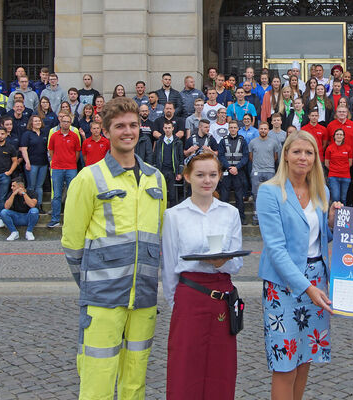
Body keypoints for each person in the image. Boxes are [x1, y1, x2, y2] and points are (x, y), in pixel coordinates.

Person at [62, 97, 166, 400]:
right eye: (119, 126)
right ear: (105, 131)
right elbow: (71, 243)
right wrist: (92, 283)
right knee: (98, 382)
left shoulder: (155, 178)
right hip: (103, 297)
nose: (128, 131)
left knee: (135, 381)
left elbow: (157, 237)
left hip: (144, 297)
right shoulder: (89, 178)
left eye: (133, 125)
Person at [256, 131, 338, 400]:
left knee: (305, 357)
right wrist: (307, 288)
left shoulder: (322, 190)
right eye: (297, 152)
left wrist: (334, 222)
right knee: (284, 361)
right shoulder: (269, 192)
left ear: (315, 158)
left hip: (318, 278)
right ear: (285, 156)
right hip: (283, 285)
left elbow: (324, 237)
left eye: (309, 153)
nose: (303, 157)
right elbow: (276, 250)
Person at [160, 150, 243, 399]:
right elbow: (169, 265)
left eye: (212, 174)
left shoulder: (230, 213)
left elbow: (237, 262)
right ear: (187, 177)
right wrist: (177, 302)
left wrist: (221, 264)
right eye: (200, 175)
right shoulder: (173, 216)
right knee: (185, 365)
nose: (207, 180)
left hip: (223, 294)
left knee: (221, 368)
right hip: (190, 294)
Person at [46, 113, 81, 228]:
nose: (65, 123)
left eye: (68, 121)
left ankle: (71, 219)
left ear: (70, 123)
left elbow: (77, 152)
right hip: (57, 168)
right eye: (64, 121)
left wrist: (70, 162)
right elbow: (51, 151)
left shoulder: (75, 136)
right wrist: (57, 160)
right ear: (60, 122)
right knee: (56, 194)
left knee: (72, 194)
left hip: (71, 168)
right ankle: (55, 219)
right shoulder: (54, 135)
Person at [248, 122, 281, 224]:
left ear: (268, 130)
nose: (263, 131)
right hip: (256, 172)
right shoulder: (253, 142)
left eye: (265, 129)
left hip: (270, 172)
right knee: (256, 195)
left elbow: (275, 157)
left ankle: (269, 218)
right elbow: (251, 157)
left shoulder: (274, 142)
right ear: (258, 130)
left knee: (270, 196)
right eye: (261, 129)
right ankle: (256, 217)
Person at [218, 120, 249, 225]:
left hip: (238, 172)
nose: (233, 129)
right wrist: (229, 167)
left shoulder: (243, 141)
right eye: (231, 127)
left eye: (235, 127)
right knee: (224, 197)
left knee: (239, 196)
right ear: (228, 128)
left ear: (238, 129)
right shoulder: (223, 141)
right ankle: (223, 219)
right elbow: (221, 156)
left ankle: (241, 218)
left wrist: (237, 167)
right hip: (226, 172)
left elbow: (245, 157)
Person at [19, 115, 49, 214]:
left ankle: (39, 205)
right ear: (31, 123)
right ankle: (30, 205)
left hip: (43, 164)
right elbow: (24, 149)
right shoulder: (27, 134)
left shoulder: (44, 133)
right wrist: (27, 162)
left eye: (39, 121)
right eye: (35, 121)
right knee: (31, 186)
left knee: (39, 186)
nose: (38, 123)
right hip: (32, 164)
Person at [153, 120, 184, 208]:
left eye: (169, 128)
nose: (167, 130)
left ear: (173, 129)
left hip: (172, 171)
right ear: (163, 129)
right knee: (161, 193)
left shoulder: (178, 142)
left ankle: (172, 213)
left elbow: (181, 158)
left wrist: (179, 173)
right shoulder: (159, 142)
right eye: (166, 128)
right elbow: (155, 157)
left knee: (172, 195)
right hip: (161, 170)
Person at [0, 177, 39, 241]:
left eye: (13, 186)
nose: (11, 187)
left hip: (28, 217)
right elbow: (6, 207)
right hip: (16, 217)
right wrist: (13, 195)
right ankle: (14, 232)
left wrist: (23, 193)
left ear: (20, 186)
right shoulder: (11, 193)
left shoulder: (32, 193)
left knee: (34, 211)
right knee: (3, 212)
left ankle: (29, 231)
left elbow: (32, 205)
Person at [324, 128, 353, 204]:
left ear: (343, 136)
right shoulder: (329, 148)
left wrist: (342, 169)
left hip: (345, 176)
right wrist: (334, 169)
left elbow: (350, 163)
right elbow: (327, 163)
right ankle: (334, 215)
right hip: (333, 176)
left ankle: (343, 215)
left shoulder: (348, 148)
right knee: (335, 197)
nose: (339, 136)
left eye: (341, 134)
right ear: (334, 136)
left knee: (343, 198)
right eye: (337, 134)